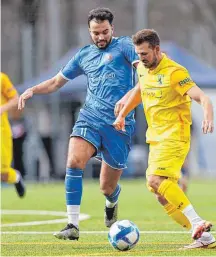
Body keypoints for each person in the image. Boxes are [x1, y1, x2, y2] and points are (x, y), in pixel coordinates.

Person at [18, 8, 139, 240]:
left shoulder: (125, 46)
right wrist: (32, 90)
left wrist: (128, 99)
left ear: (112, 29)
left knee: (107, 187)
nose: (101, 37)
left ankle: (112, 201)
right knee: (73, 161)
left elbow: (143, 73)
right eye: (96, 33)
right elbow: (55, 82)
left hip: (119, 124)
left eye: (105, 32)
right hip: (90, 118)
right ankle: (72, 225)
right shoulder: (83, 55)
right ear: (89, 31)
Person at [113, 29, 216, 249]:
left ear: (157, 50)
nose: (140, 58)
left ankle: (197, 222)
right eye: (138, 53)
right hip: (156, 138)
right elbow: (140, 91)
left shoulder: (175, 72)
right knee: (159, 193)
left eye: (144, 53)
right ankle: (203, 237)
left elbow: (202, 96)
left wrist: (208, 113)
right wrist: (122, 114)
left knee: (155, 181)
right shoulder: (142, 68)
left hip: (175, 135)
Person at [1, 72, 26, 197]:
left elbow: (16, 99)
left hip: (2, 131)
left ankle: (16, 177)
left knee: (3, 173)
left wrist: (2, 109)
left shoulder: (2, 79)